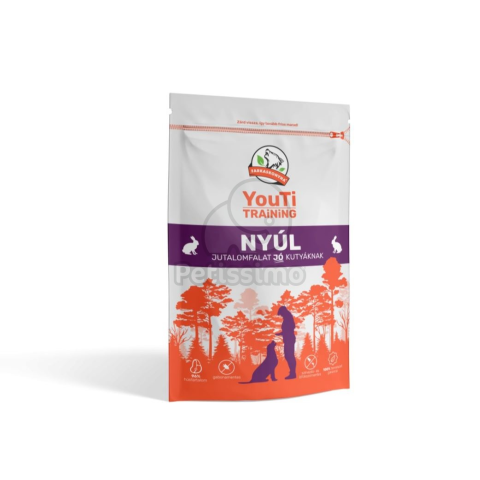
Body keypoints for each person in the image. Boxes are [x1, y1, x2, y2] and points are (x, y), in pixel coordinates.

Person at [276, 306, 296, 379]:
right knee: (288, 356)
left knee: (289, 356)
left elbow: (290, 328)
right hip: (288, 339)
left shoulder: (288, 318)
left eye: (281, 314)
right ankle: (292, 372)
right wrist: (280, 333)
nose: (281, 315)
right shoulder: (287, 317)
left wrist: (283, 333)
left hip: (289, 339)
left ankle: (293, 373)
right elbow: (287, 329)